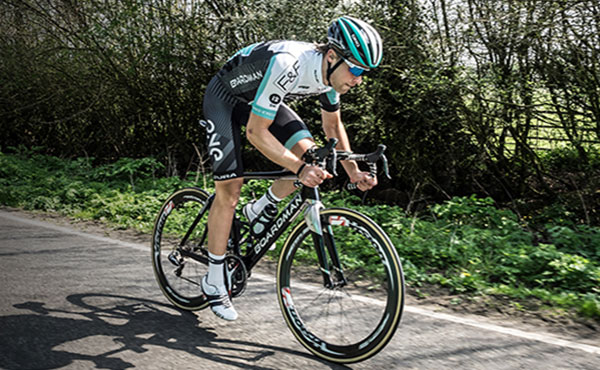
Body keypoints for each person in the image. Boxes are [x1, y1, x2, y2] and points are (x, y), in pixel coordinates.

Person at [201, 16, 383, 320]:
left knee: (314, 157)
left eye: (364, 72)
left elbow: (332, 126)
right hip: (225, 99)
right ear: (332, 56)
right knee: (230, 191)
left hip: (259, 96)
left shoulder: (331, 76)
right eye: (356, 69)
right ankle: (214, 279)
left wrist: (353, 171)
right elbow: (256, 133)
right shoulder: (290, 64)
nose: (359, 79)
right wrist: (298, 169)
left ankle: (261, 207)